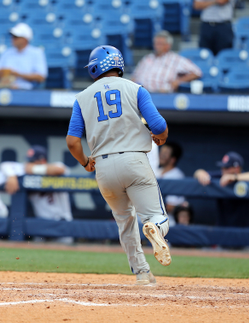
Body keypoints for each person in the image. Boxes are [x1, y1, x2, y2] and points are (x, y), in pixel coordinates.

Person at [66, 45, 171, 285]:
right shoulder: (136, 89)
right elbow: (159, 125)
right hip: (134, 160)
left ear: (94, 68)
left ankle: (142, 272)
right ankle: (154, 227)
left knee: (125, 220)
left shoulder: (82, 98)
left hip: (103, 167)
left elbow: (72, 142)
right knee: (156, 216)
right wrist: (161, 138)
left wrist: (85, 162)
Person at [4, 145, 73, 243]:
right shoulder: (24, 170)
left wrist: (33, 169)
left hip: (62, 222)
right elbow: (5, 165)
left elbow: (60, 170)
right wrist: (11, 176)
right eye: (29, 161)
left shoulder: (57, 166)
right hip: (41, 224)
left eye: (32, 161)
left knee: (65, 255)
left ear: (42, 160)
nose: (29, 164)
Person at [194, 151, 249, 227]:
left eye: (226, 167)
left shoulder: (245, 176)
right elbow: (199, 172)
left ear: (236, 168)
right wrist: (201, 174)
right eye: (222, 167)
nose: (223, 170)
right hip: (223, 226)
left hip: (243, 228)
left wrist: (234, 177)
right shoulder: (221, 175)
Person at [131, 30, 202, 93]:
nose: (156, 46)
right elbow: (134, 77)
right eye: (155, 43)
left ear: (168, 46)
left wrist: (178, 81)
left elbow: (197, 72)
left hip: (162, 94)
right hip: (141, 94)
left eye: (160, 44)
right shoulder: (147, 58)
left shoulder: (176, 59)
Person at [0, 23, 47, 90]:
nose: (13, 39)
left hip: (26, 87)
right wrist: (2, 73)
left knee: (14, 87)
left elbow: (41, 77)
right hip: (5, 85)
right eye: (12, 36)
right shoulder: (6, 53)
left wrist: (17, 74)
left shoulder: (36, 53)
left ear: (25, 39)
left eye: (16, 37)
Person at [155, 142, 186, 219]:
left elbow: (170, 207)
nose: (161, 155)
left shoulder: (178, 176)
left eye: (165, 154)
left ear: (172, 159)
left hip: (167, 221)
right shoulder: (155, 171)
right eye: (161, 152)